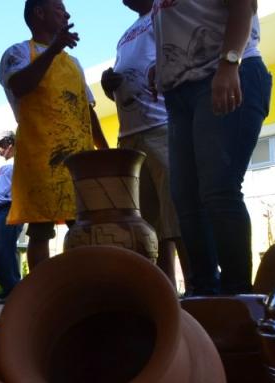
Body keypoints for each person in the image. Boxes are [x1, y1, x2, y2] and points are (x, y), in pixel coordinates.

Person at [151, 0, 272, 295]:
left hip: (225, 74)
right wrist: (165, 66)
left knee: (218, 190)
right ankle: (204, 294)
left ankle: (237, 297)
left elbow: (243, 6)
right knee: (185, 198)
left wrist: (229, 63)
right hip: (181, 93)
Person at [0, 0, 108, 270]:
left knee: (85, 227)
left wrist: (105, 151)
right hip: (41, 158)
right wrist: (53, 50)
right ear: (39, 13)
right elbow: (20, 85)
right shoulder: (17, 52)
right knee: (40, 229)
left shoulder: (74, 63)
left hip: (79, 159)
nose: (66, 14)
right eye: (59, 9)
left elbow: (87, 109)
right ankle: (44, 288)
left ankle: (86, 283)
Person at [100, 0, 189, 290]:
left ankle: (198, 289)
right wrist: (109, 87)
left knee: (178, 213)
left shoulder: (165, 13)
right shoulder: (124, 36)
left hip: (162, 126)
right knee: (150, 225)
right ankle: (166, 293)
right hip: (131, 136)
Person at [0, 130, 23, 299]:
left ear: (10, 143)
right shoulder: (4, 165)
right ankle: (7, 287)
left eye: (0, 144)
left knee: (6, 248)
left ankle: (14, 289)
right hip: (0, 210)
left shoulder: (18, 162)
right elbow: (0, 191)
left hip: (11, 208)